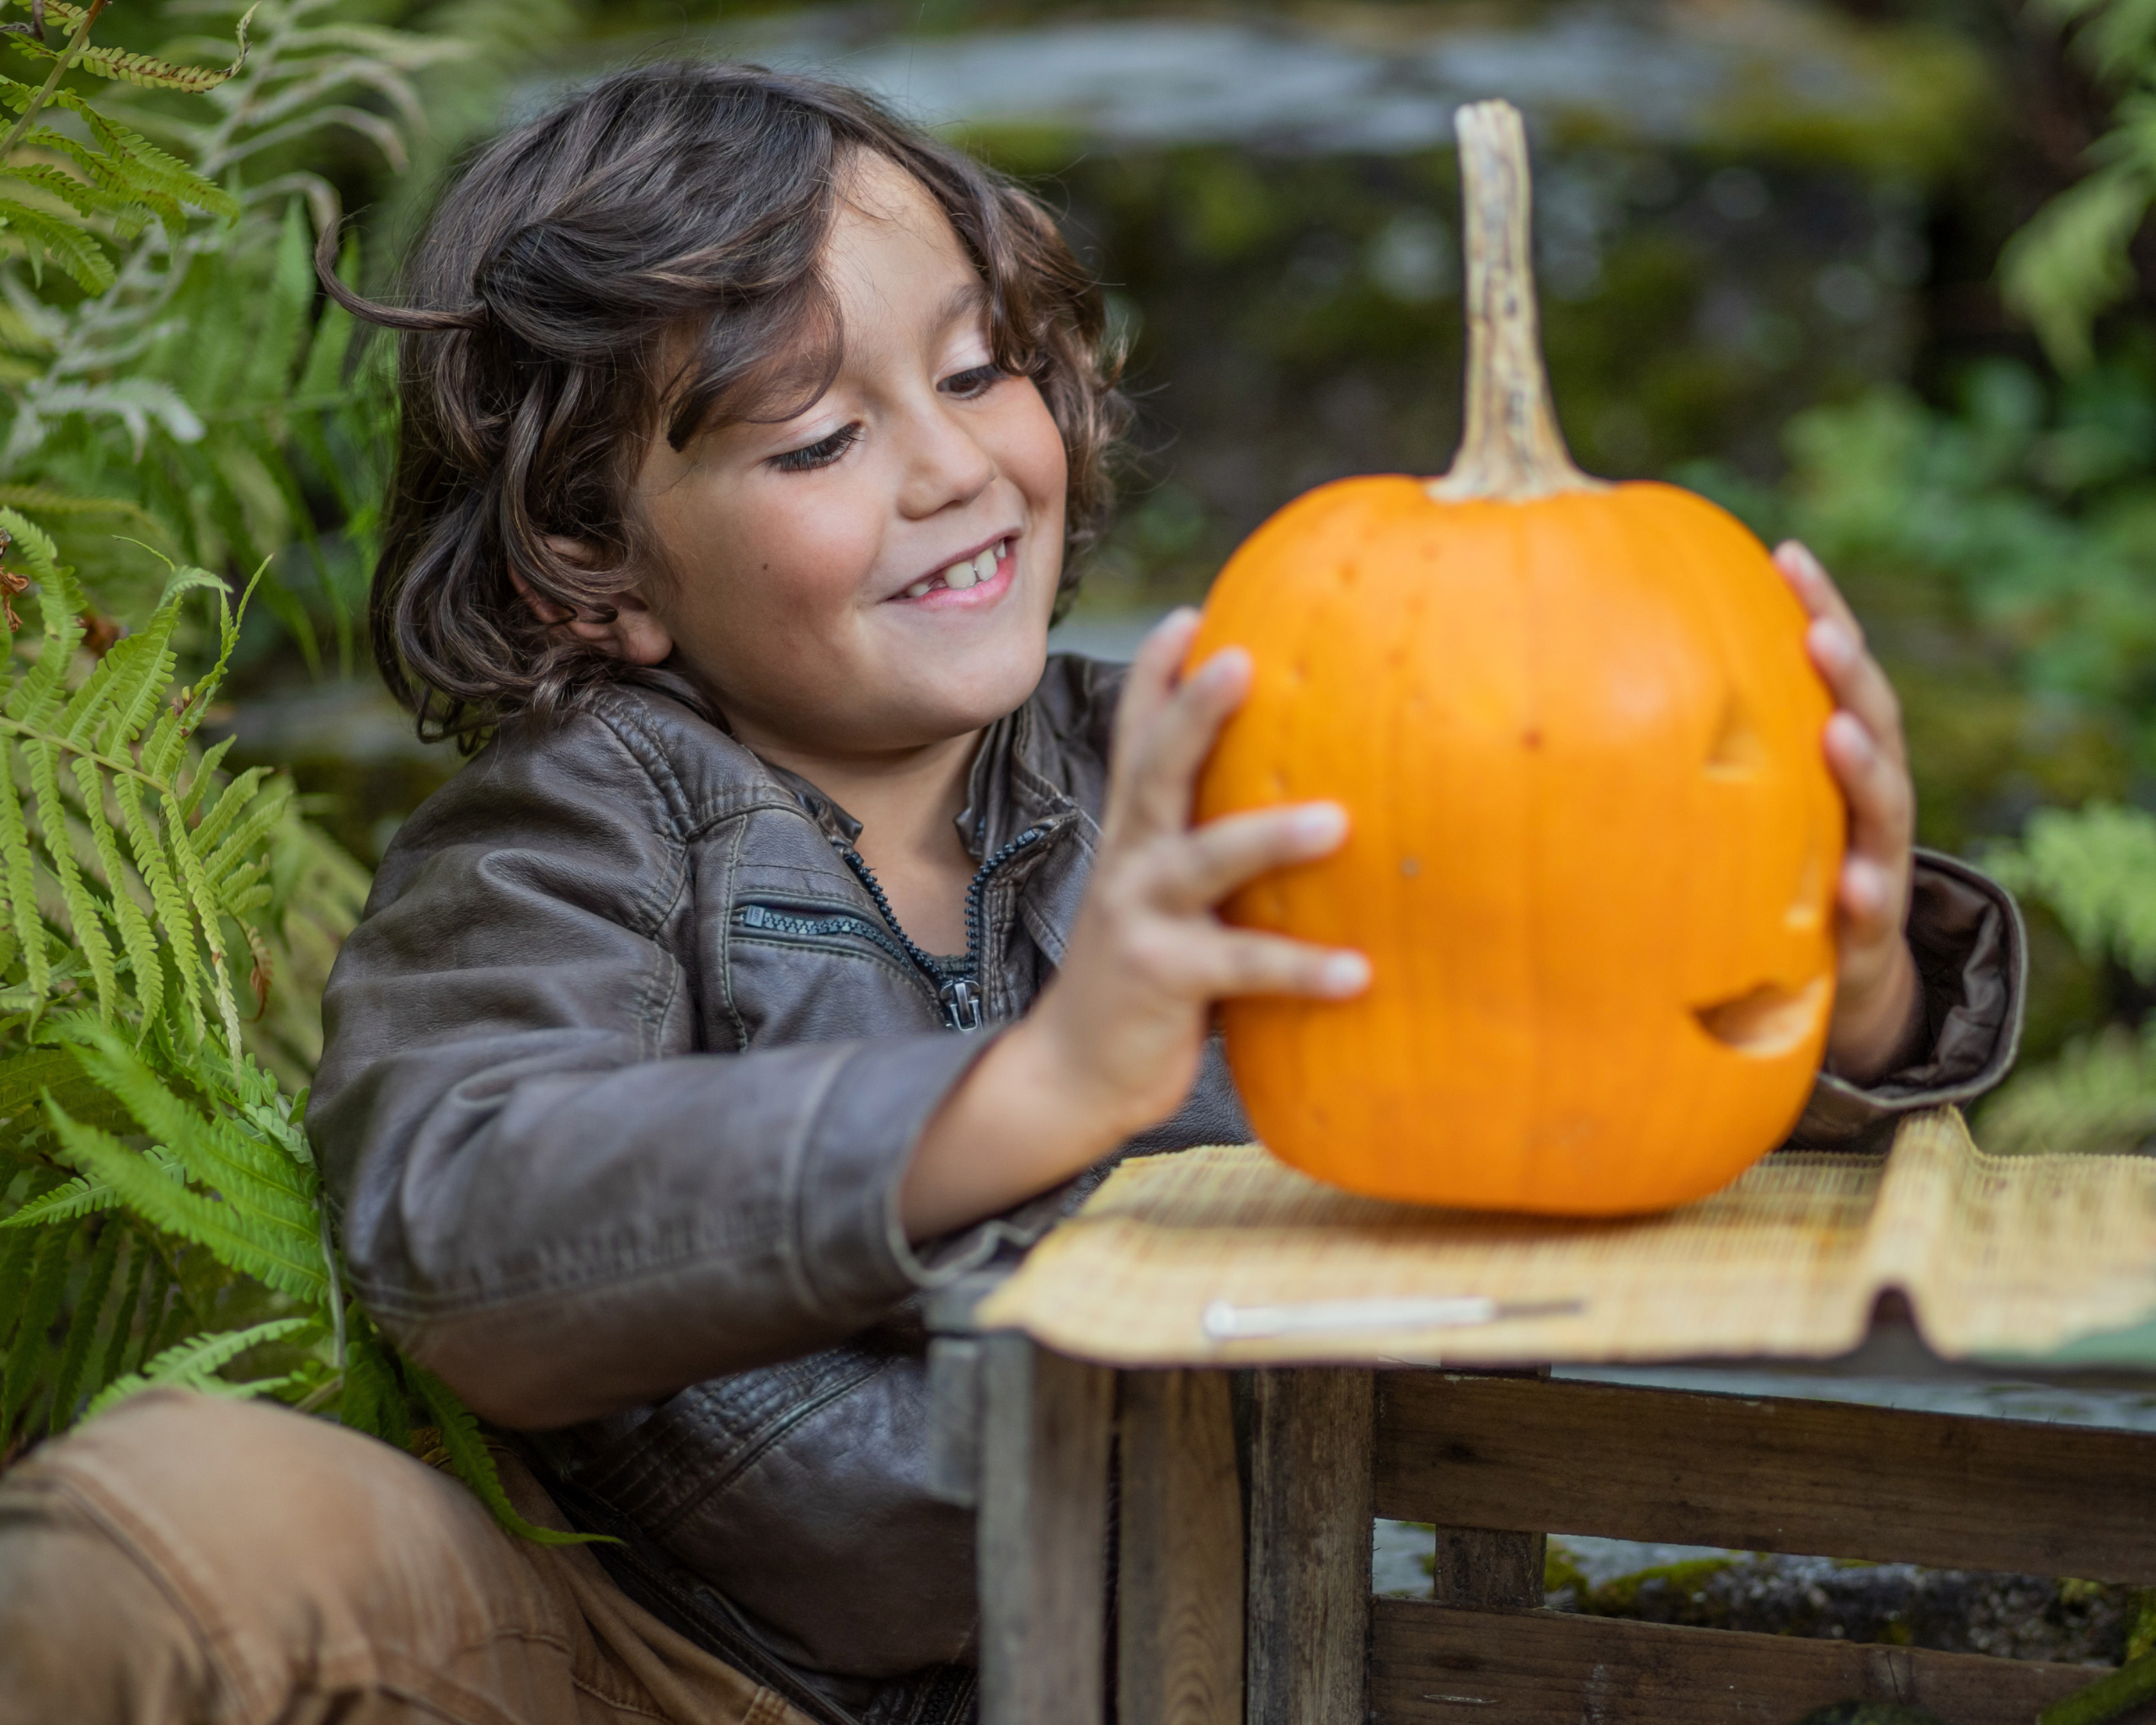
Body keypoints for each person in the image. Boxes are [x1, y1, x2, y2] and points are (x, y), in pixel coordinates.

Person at [0, 61, 2024, 1725]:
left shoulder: (1227, 750)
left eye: (979, 374)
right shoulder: (576, 840)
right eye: (813, 437)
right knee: (173, 1524)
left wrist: (1835, 993)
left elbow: (1562, 1004)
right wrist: (1032, 1090)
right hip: (700, 1670)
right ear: (586, 570)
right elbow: (466, 1217)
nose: (951, 468)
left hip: (1221, 1634)